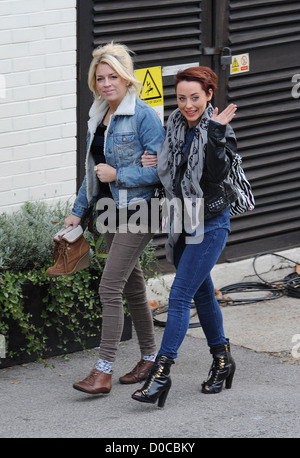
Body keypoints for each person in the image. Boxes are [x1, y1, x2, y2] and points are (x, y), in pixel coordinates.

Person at [132, 66, 238, 407]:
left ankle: (160, 376)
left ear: (209, 95)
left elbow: (217, 174)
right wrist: (154, 159)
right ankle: (223, 361)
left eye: (195, 97)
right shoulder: (175, 127)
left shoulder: (220, 129)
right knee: (202, 293)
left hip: (210, 224)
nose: (188, 105)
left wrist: (218, 135)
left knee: (179, 297)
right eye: (181, 98)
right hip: (182, 221)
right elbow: (170, 171)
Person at [65, 42, 165, 394]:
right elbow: (93, 172)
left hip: (140, 209)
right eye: (100, 78)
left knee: (109, 287)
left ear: (126, 79)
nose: (107, 83)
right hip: (108, 211)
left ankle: (103, 370)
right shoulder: (97, 116)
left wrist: (118, 174)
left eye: (113, 77)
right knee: (134, 287)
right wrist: (78, 212)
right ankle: (150, 358)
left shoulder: (144, 115)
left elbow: (160, 172)